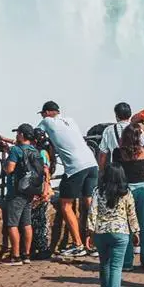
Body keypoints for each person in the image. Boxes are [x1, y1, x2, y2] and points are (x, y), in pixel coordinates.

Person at [36, 101, 99, 258]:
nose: (42, 116)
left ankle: (78, 245)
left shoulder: (46, 121)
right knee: (89, 204)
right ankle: (94, 244)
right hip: (91, 163)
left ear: (47, 112)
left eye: (43, 113)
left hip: (75, 167)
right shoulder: (70, 120)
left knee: (65, 204)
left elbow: (34, 136)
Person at [86, 164, 140, 287]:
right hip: (120, 232)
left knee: (104, 263)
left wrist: (90, 232)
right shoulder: (126, 192)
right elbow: (131, 213)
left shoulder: (98, 191)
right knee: (116, 267)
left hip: (101, 232)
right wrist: (136, 232)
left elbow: (92, 212)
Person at [0, 124, 45, 264]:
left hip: (16, 192)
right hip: (30, 191)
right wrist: (7, 147)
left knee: (12, 224)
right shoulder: (34, 150)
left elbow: (9, 169)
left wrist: (5, 160)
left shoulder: (16, 150)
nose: (16, 135)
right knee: (26, 223)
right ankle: (26, 255)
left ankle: (15, 256)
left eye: (18, 133)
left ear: (22, 135)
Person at [111, 123, 144, 270]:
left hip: (125, 189)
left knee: (126, 226)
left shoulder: (118, 153)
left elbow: (116, 171)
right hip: (143, 187)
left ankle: (127, 261)